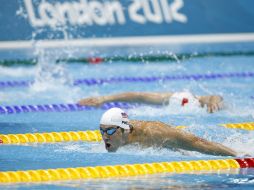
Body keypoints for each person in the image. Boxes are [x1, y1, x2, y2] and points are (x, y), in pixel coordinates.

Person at [99, 107, 237, 156]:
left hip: (177, 147)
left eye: (109, 131)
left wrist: (238, 155)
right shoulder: (117, 135)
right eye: (102, 131)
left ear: (124, 130)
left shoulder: (154, 132)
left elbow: (200, 143)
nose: (104, 136)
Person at [78, 91, 223, 113]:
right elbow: (138, 96)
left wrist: (214, 103)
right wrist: (104, 99)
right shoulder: (171, 98)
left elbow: (216, 97)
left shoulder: (199, 99)